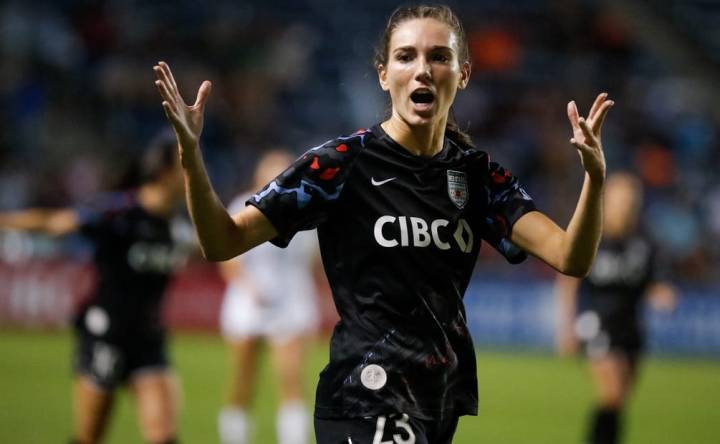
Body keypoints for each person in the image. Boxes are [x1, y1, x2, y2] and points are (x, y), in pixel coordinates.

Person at [153, 4, 613, 442]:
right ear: (384, 75)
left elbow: (571, 256)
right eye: (405, 56)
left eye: (439, 57)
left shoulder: (478, 177)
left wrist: (594, 179)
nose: (422, 69)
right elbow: (221, 242)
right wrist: (191, 158)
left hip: (438, 397)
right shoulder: (339, 164)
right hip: (364, 393)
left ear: (463, 74)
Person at [0, 134, 187, 444]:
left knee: (164, 436)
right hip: (105, 336)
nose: (198, 172)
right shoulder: (120, 211)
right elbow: (57, 223)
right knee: (90, 437)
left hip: (148, 339)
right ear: (165, 172)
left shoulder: (178, 222)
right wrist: (5, 221)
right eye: (188, 165)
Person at [555, 172, 677, 444]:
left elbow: (656, 281)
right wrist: (567, 326)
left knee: (618, 401)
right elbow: (568, 281)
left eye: (632, 200)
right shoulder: (592, 235)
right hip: (596, 322)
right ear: (607, 200)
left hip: (631, 327)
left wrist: (663, 294)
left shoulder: (645, 243)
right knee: (611, 393)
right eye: (621, 199)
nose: (627, 206)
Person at [217, 150, 320, 444]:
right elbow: (228, 257)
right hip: (247, 303)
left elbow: (312, 260)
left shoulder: (306, 211)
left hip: (291, 303)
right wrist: (249, 287)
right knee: (242, 380)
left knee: (290, 379)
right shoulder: (243, 205)